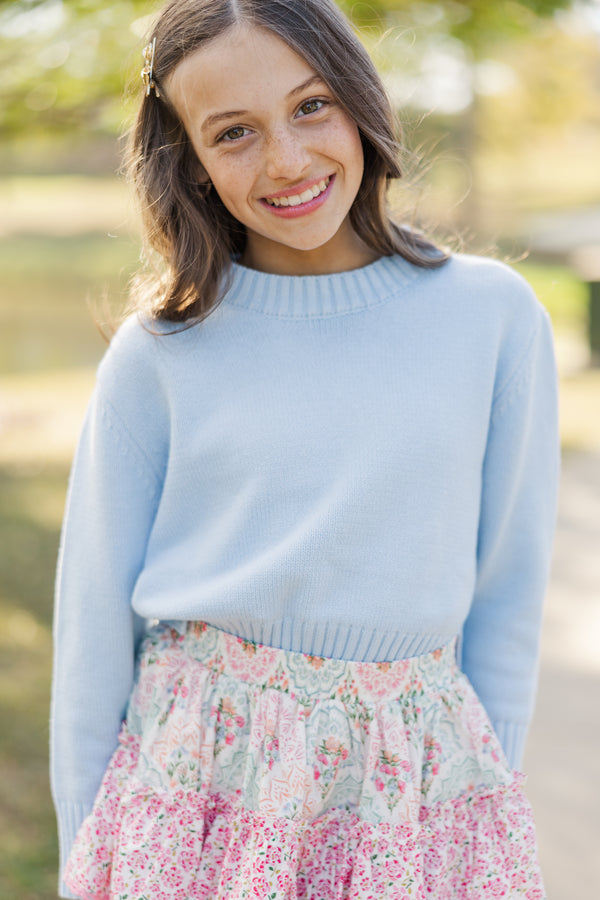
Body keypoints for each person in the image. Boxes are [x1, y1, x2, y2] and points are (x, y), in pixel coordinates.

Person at [50, 0, 560, 898]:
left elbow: (507, 604)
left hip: (412, 806)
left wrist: (478, 817)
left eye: (311, 106)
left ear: (360, 99)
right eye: (234, 132)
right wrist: (84, 855)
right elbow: (92, 640)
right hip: (194, 799)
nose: (287, 160)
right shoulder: (160, 355)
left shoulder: (492, 317)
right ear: (193, 162)